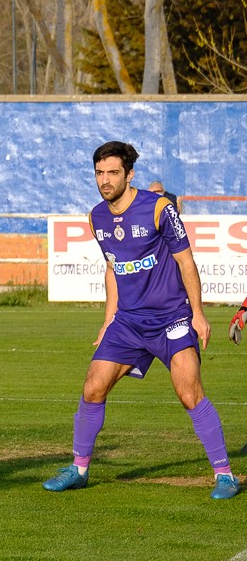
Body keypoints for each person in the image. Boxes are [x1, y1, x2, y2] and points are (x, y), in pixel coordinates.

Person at [42, 141, 238, 500]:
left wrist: (197, 313)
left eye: (113, 172)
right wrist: (108, 319)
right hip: (128, 322)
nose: (105, 180)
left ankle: (225, 475)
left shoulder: (159, 208)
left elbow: (185, 262)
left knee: (189, 393)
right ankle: (79, 469)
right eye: (100, 173)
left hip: (172, 318)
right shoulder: (96, 216)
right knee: (92, 388)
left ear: (129, 175)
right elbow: (113, 267)